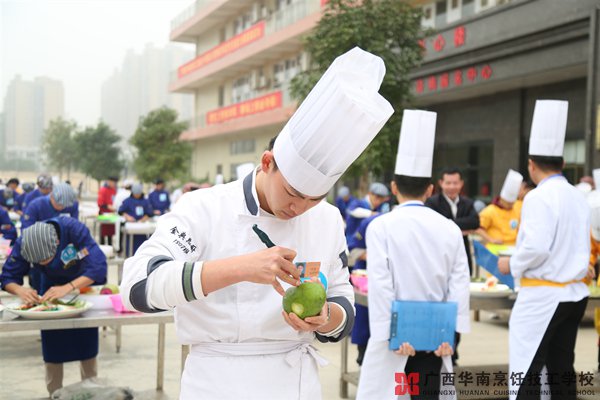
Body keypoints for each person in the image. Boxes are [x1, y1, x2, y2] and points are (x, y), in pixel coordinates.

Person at [119, 46, 393, 399]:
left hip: (297, 382)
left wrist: (326, 317)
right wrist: (241, 268)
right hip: (217, 382)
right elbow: (137, 287)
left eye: (314, 198)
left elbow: (343, 299)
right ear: (267, 163)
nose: (299, 208)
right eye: (293, 192)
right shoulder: (204, 207)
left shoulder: (327, 218)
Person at [357, 110, 470, 399]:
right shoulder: (450, 228)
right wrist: (451, 335)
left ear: (394, 188)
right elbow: (459, 284)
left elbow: (381, 285)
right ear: (430, 189)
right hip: (436, 338)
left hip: (395, 338)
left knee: (388, 393)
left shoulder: (380, 226)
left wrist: (390, 335)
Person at [498, 100, 590, 400]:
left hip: (544, 296)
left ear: (531, 165)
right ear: (562, 163)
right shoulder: (578, 196)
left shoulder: (538, 197)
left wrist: (511, 264)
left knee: (527, 369)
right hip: (574, 294)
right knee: (562, 369)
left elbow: (536, 248)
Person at [0, 217, 107, 395]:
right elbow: (7, 277)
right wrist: (21, 290)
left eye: (47, 259)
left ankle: (91, 391)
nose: (45, 263)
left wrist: (68, 287)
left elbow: (98, 267)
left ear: (57, 243)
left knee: (86, 344)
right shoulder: (25, 242)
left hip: (80, 287)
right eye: (39, 262)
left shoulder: (74, 230)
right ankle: (54, 393)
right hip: (48, 292)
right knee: (53, 347)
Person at [425, 167, 479, 274]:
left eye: (455, 183)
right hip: (439, 252)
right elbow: (433, 225)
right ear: (441, 183)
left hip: (463, 250)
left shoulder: (467, 202)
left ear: (461, 183)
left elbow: (475, 222)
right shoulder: (432, 202)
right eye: (448, 183)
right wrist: (461, 228)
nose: (452, 187)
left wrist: (447, 223)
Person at [347, 214, 381, 366]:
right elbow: (353, 249)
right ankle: (363, 359)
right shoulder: (370, 223)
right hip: (366, 280)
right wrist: (377, 256)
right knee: (365, 323)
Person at [476, 169, 523, 248]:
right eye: (508, 203)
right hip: (496, 248)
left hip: (515, 247)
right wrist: (491, 240)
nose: (510, 205)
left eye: (512, 203)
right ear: (501, 199)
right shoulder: (490, 210)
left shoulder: (518, 206)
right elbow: (478, 228)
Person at [118, 183, 153, 255]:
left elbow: (149, 213)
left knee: (141, 247)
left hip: (142, 228)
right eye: (135, 194)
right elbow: (121, 211)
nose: (137, 195)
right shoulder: (127, 201)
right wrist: (127, 217)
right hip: (131, 227)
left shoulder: (145, 201)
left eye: (138, 194)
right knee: (130, 247)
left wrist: (143, 219)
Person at [97, 176, 118, 246]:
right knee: (103, 233)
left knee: (110, 233)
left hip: (112, 214)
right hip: (103, 213)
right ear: (109, 182)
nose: (114, 184)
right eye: (113, 182)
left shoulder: (114, 191)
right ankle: (102, 245)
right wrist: (108, 206)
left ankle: (110, 246)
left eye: (115, 183)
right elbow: (100, 203)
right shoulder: (103, 190)